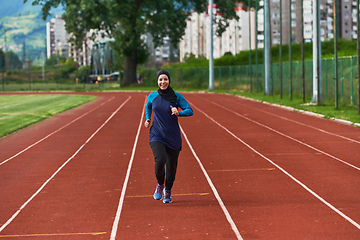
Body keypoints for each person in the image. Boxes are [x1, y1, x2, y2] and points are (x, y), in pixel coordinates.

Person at [144, 70, 193, 203]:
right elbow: (148, 107)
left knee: (171, 167)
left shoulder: (176, 97)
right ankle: (160, 185)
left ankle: (168, 190)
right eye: (160, 79)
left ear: (169, 81)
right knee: (160, 160)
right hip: (157, 134)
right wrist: (148, 119)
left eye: (165, 79)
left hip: (173, 136)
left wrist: (179, 113)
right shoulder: (152, 96)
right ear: (157, 81)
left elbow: (190, 110)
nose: (163, 82)